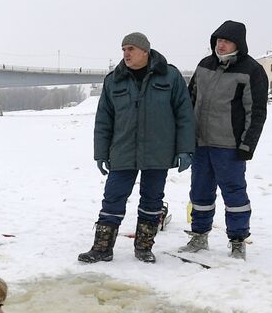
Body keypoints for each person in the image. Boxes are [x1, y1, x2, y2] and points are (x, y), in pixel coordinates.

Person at [79, 32, 194, 265]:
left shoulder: (170, 76)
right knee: (112, 198)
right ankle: (102, 248)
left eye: (131, 48)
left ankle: (144, 247)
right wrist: (101, 153)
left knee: (152, 200)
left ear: (145, 51)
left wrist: (185, 149)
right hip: (123, 150)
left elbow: (185, 115)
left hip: (158, 151)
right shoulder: (114, 80)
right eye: (123, 49)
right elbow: (104, 120)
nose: (126, 53)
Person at [182, 20, 269, 260]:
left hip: (230, 147)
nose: (220, 45)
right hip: (201, 144)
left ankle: (238, 240)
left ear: (238, 44)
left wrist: (247, 145)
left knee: (234, 195)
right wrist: (185, 138)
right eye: (218, 40)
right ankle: (199, 235)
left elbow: (257, 111)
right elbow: (189, 102)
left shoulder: (252, 71)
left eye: (226, 41)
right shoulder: (204, 65)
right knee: (199, 193)